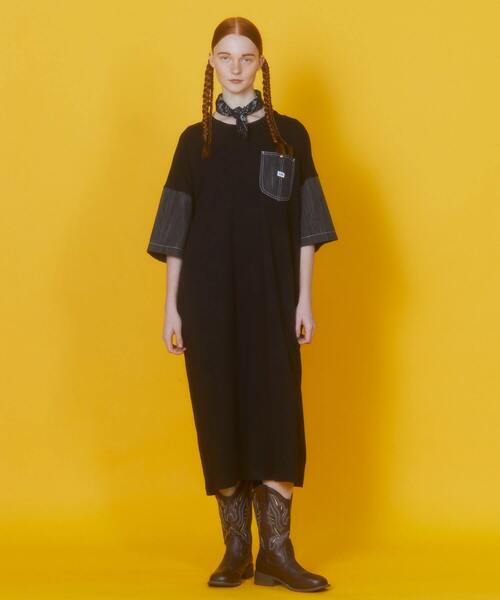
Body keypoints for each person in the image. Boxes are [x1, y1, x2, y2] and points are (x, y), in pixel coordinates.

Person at [147, 16, 338, 593]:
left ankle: (277, 552)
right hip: (207, 302)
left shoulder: (290, 136)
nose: (235, 67)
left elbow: (307, 227)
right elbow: (175, 233)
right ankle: (236, 551)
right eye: (225, 57)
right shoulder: (193, 142)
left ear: (261, 64)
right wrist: (172, 308)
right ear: (211, 62)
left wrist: (304, 300)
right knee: (219, 410)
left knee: (278, 413)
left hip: (274, 298)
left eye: (246, 57)